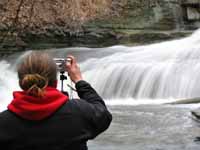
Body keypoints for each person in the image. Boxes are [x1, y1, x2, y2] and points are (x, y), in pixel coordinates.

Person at [0, 51, 112, 150]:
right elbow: (103, 115)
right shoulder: (80, 113)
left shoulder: (4, 122)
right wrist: (79, 81)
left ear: (22, 82)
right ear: (55, 82)